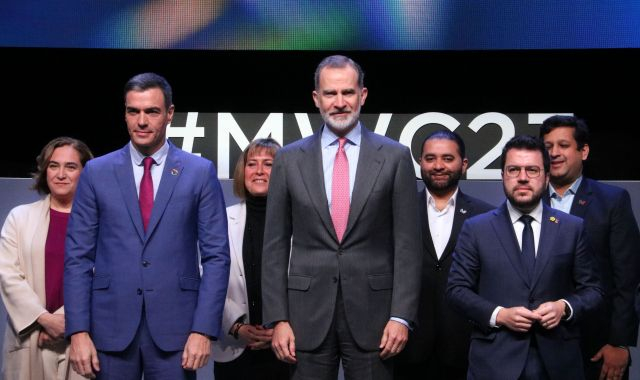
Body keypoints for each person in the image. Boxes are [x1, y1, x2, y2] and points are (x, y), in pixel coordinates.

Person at [261, 55, 422, 380]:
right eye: (330, 94)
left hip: (376, 317)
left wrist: (401, 316)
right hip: (305, 316)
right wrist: (277, 319)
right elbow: (275, 246)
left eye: (347, 93)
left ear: (362, 95)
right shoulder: (289, 159)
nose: (339, 102)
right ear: (316, 99)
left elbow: (408, 246)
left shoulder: (394, 157)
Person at [64, 72, 230, 379]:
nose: (141, 121)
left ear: (169, 114)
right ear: (125, 113)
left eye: (151, 111)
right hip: (109, 329)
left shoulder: (199, 172)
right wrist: (78, 331)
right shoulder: (96, 172)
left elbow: (217, 257)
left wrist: (203, 329)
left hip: (177, 332)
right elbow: (77, 258)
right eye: (133, 111)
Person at [446, 135, 602, 380]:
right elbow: (456, 290)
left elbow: (593, 290)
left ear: (547, 177)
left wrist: (564, 307)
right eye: (513, 169)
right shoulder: (476, 228)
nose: (522, 177)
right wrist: (500, 314)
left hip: (559, 363)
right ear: (503, 176)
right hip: (494, 364)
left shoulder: (572, 227)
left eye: (532, 170)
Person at [540, 115, 640, 380]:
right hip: (538, 344)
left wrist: (619, 343)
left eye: (563, 145)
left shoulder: (613, 201)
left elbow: (627, 279)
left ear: (583, 151)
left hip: (597, 345)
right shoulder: (527, 199)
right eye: (548, 146)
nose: (554, 153)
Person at [394, 130, 494, 380]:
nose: (438, 166)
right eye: (430, 158)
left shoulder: (487, 216)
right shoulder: (396, 212)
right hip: (407, 347)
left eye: (448, 158)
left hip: (466, 348)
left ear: (464, 164)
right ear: (420, 163)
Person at [0, 137, 92, 380]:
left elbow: (103, 275)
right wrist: (44, 319)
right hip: (31, 335)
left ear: (85, 172)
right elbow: (7, 274)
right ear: (44, 170)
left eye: (71, 167)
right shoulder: (19, 218)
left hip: (81, 336)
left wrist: (65, 319)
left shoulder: (101, 224)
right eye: (53, 165)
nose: (61, 174)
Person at [212, 138, 289, 380]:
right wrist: (236, 326)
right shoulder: (221, 220)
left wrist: (283, 325)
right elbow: (209, 280)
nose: (259, 171)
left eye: (268, 164)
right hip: (234, 349)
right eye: (252, 164)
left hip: (287, 348)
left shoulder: (301, 221)